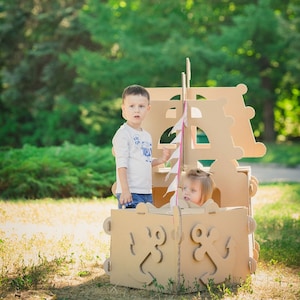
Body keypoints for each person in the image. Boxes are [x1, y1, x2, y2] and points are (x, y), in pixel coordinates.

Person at [112, 84, 171, 209]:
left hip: (146, 192)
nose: (137, 110)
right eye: (131, 106)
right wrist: (125, 190)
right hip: (130, 192)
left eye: (141, 106)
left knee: (146, 225)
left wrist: (161, 160)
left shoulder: (146, 136)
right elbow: (121, 164)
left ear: (148, 109)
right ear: (124, 109)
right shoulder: (123, 134)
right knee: (132, 225)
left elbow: (144, 161)